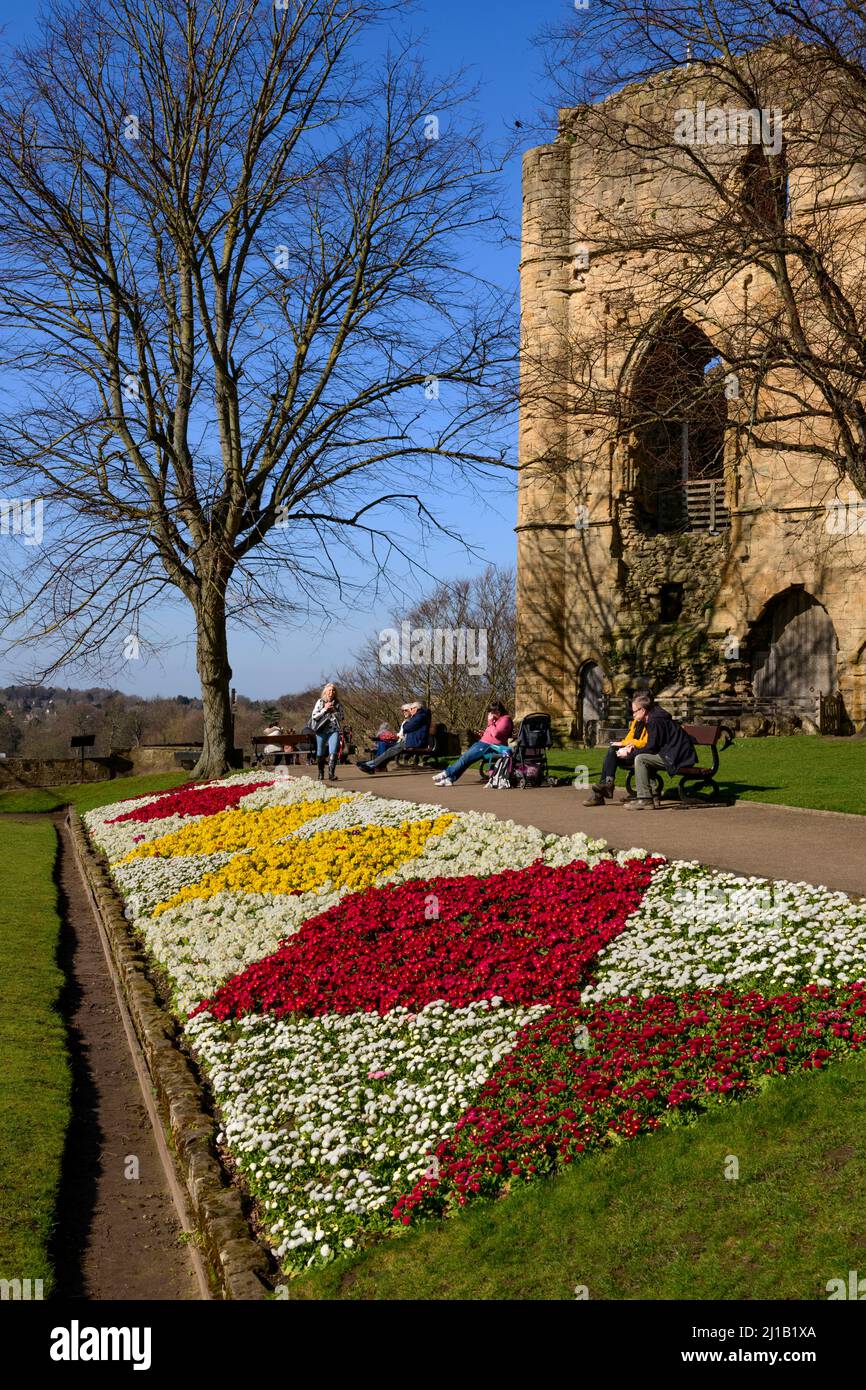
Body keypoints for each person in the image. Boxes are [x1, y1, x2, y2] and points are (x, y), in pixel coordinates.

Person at [625, 695, 696, 810]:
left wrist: (629, 755)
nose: (633, 715)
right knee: (644, 758)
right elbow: (653, 746)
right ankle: (653, 796)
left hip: (678, 757)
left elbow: (651, 747)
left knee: (641, 759)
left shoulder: (655, 721)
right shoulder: (653, 718)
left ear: (642, 710)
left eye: (634, 712)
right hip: (672, 754)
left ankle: (645, 799)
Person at [583, 689, 652, 805]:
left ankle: (601, 793)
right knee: (612, 750)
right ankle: (607, 785)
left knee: (612, 753)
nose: (633, 714)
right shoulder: (637, 720)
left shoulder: (650, 720)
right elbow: (629, 737)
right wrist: (623, 744)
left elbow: (646, 743)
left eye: (635, 710)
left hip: (642, 753)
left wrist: (629, 744)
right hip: (633, 749)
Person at [432, 701, 513, 787]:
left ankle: (446, 773)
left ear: (498, 711)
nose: (490, 714)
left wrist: (490, 722)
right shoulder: (496, 719)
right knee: (466, 760)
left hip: (490, 746)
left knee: (465, 758)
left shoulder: (505, 719)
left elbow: (495, 734)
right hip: (483, 743)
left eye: (492, 712)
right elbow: (492, 732)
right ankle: (450, 779)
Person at [357, 701, 431, 773]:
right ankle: (371, 765)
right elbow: (407, 729)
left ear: (416, 708)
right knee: (387, 750)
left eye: (410, 709)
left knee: (389, 751)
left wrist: (407, 724)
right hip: (411, 741)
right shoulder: (419, 716)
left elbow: (406, 728)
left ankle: (371, 765)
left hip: (414, 742)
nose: (409, 711)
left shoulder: (420, 716)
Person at [310, 682, 344, 782]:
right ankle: (321, 773)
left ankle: (331, 774)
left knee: (333, 751)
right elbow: (314, 716)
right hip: (321, 729)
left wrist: (334, 711)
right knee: (320, 751)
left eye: (333, 690)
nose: (331, 692)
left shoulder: (338, 703)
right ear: (325, 692)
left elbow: (342, 717)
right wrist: (325, 709)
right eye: (329, 690)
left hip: (334, 730)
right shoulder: (320, 702)